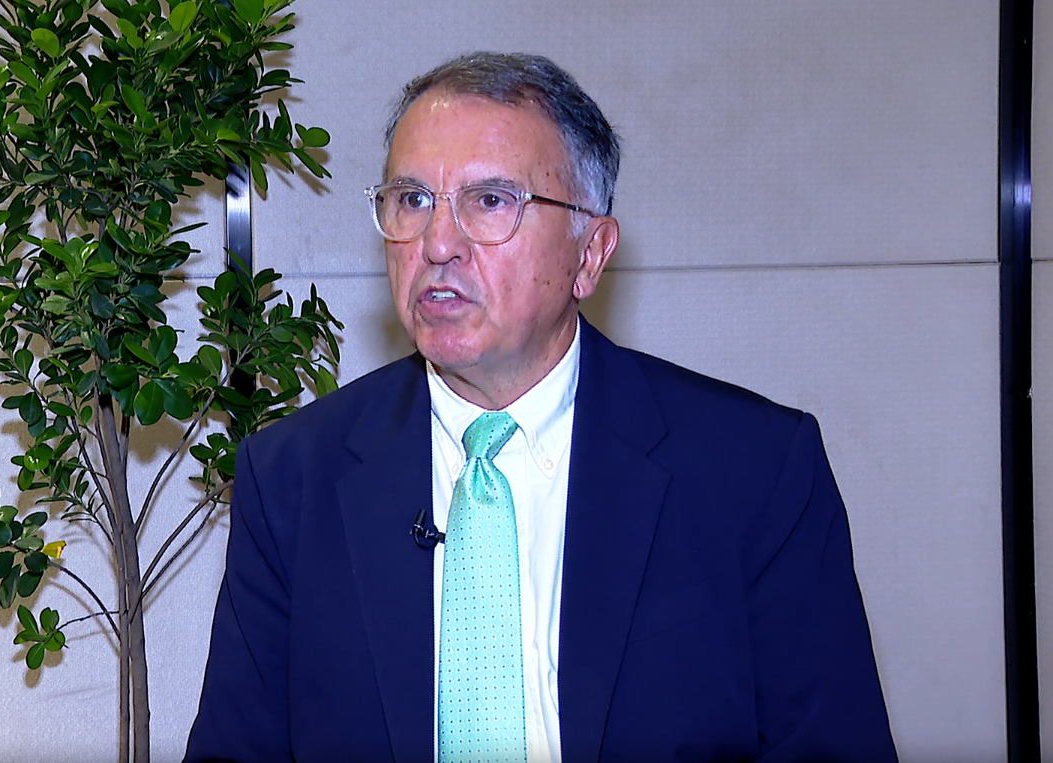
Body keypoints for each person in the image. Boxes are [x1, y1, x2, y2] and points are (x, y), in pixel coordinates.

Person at [184, 52, 896, 763]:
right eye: (412, 200)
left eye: (491, 201)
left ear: (590, 254)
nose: (437, 243)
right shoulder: (292, 478)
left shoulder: (755, 470)